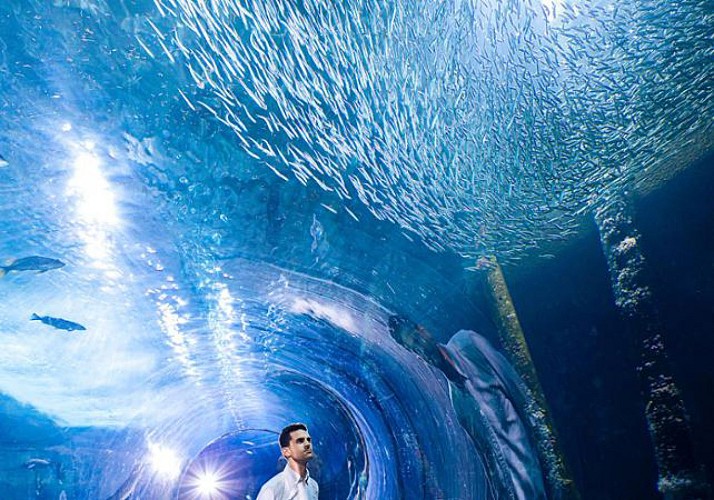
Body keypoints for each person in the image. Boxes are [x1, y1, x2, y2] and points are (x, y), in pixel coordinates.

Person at [257, 423, 319, 500]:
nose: (307, 444)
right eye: (300, 441)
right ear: (286, 452)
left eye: (308, 440)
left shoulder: (313, 486)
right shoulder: (272, 489)